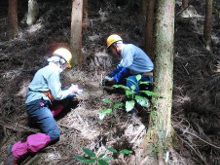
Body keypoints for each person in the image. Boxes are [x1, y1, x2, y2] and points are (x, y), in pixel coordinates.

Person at [6, 48, 82, 165]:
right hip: (38, 105)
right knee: (53, 134)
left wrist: (67, 92)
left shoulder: (45, 70)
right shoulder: (53, 71)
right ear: (61, 62)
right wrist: (71, 91)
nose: (65, 68)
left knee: (65, 99)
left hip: (38, 104)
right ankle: (16, 150)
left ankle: (47, 118)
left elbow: (50, 93)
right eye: (66, 65)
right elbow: (57, 95)